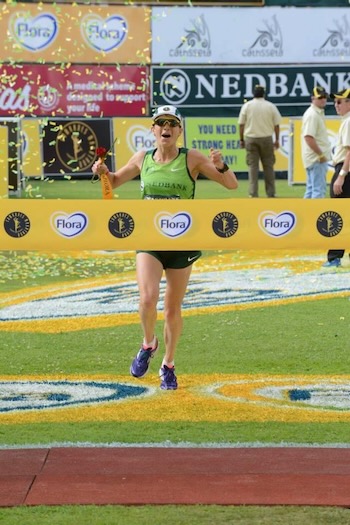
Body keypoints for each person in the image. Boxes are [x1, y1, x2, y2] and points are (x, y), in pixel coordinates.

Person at [92, 105, 238, 390]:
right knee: (147, 298)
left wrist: (221, 164)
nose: (166, 127)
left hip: (183, 239)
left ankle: (168, 365)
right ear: (153, 129)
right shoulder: (142, 158)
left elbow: (230, 185)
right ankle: (148, 344)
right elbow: (113, 185)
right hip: (149, 238)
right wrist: (102, 172)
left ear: (179, 130)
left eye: (172, 123)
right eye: (161, 123)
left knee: (172, 309)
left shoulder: (191, 158)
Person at [322, 89, 350, 268]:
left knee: (337, 215)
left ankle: (334, 257)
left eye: (340, 102)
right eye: (335, 102)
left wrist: (341, 175)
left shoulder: (348, 121)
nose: (336, 105)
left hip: (345, 171)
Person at [238, 84, 282, 198]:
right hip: (266, 138)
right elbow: (276, 125)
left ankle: (253, 193)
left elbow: (241, 124)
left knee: (253, 167)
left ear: (253, 93)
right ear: (264, 94)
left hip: (251, 138)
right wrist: (277, 139)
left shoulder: (247, 106)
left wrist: (241, 139)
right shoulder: (270, 106)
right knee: (268, 166)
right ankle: (271, 193)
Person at [301, 86, 332, 199]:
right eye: (320, 98)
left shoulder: (316, 113)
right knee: (318, 190)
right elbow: (308, 137)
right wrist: (321, 154)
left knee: (311, 190)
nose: (323, 100)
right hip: (317, 159)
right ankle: (315, 216)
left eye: (324, 97)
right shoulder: (312, 115)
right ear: (312, 98)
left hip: (314, 158)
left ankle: (305, 214)